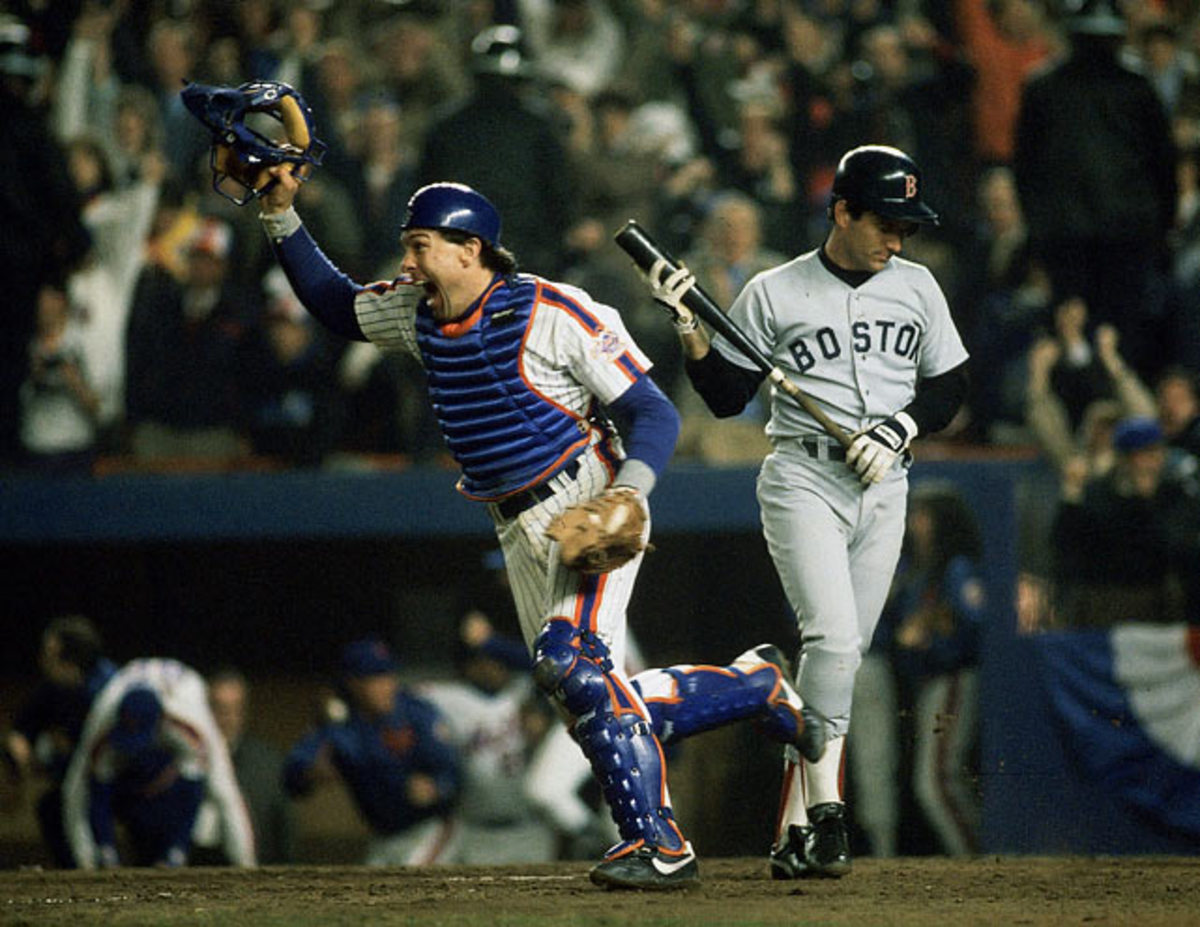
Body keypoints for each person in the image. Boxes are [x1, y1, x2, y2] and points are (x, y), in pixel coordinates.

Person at [248, 157, 824, 888]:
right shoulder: (416, 309)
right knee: (591, 701)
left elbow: (653, 410)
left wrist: (633, 493)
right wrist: (280, 215)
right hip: (515, 523)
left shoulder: (553, 310)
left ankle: (659, 844)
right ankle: (757, 685)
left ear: (470, 249)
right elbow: (334, 304)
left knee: (571, 660)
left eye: (421, 244)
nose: (408, 259)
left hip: (586, 494)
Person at [652, 144, 969, 878]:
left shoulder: (917, 287)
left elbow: (949, 388)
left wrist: (899, 427)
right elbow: (729, 394)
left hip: (886, 481)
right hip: (803, 477)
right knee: (830, 635)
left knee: (845, 657)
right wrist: (689, 329)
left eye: (906, 225)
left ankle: (793, 829)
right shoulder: (774, 290)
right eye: (885, 223)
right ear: (842, 211)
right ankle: (827, 810)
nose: (898, 239)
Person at [1012, 0, 1178, 384]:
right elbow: (1163, 167)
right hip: (1122, 234)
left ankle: (1079, 413)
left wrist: (1039, 228)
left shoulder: (1043, 87)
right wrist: (1163, 227)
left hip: (1070, 234)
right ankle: (1115, 410)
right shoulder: (1138, 88)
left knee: (1072, 328)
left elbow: (1025, 168)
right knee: (1116, 332)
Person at [851, 482, 987, 858]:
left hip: (952, 677)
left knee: (937, 782)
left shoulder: (956, 568)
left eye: (924, 516)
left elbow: (973, 623)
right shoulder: (918, 572)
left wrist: (932, 634)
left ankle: (975, 859)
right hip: (928, 682)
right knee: (934, 780)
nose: (916, 523)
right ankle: (971, 856)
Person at [282, 638, 463, 866]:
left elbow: (454, 776)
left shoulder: (416, 715)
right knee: (372, 894)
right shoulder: (339, 724)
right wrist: (310, 772)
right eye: (375, 678)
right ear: (353, 683)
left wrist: (436, 788)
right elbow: (292, 776)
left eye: (388, 676)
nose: (386, 686)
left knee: (407, 888)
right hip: (382, 836)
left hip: (429, 830)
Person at [61, 657, 256, 869]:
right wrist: (89, 861)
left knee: (217, 785)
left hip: (181, 707)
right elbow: (75, 790)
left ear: (160, 721)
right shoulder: (105, 712)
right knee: (91, 782)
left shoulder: (190, 718)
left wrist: (246, 865)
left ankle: (175, 852)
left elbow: (223, 792)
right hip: (129, 769)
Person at [416, 614, 557, 865]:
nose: (493, 667)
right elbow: (400, 699)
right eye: (484, 660)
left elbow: (549, 663)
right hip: (475, 829)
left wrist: (491, 642)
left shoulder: (524, 690)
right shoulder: (448, 698)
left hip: (530, 828)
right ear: (468, 665)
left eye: (498, 660)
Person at [3, 615, 117, 867]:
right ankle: (76, 872)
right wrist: (17, 755)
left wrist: (61, 755)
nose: (43, 660)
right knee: (51, 807)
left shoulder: (108, 690)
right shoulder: (58, 686)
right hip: (79, 776)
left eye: (50, 653)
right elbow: (23, 728)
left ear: (71, 660)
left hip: (116, 777)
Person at [199, 667, 295, 865]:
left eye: (235, 709)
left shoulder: (268, 764)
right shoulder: (182, 761)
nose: (227, 717)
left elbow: (283, 830)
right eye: (219, 708)